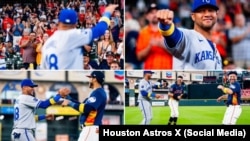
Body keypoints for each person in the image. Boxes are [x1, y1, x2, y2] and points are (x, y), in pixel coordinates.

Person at [40, 4, 118, 70]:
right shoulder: (73, 35)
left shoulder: (48, 42)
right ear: (75, 24)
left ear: (59, 22)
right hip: (68, 81)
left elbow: (43, 69)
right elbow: (100, 29)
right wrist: (107, 13)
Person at [156, 0, 222, 70]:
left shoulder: (216, 51)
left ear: (216, 14)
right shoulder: (188, 37)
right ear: (193, 16)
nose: (207, 14)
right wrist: (166, 25)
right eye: (201, 11)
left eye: (211, 10)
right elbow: (174, 37)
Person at [61, 71, 107, 141]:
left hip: (91, 128)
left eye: (90, 78)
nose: (89, 80)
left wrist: (69, 103)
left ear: (94, 79)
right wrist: (68, 98)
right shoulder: (97, 92)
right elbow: (82, 106)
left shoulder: (98, 93)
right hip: (91, 128)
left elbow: (87, 108)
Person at [136, 3, 173, 69]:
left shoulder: (169, 30)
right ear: (146, 16)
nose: (155, 14)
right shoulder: (143, 33)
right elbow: (139, 57)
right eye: (152, 13)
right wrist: (149, 46)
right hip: (150, 70)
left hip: (167, 71)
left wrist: (163, 45)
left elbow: (178, 53)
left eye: (157, 12)